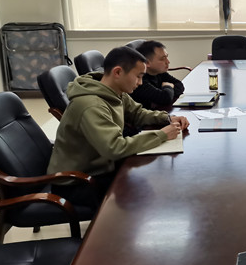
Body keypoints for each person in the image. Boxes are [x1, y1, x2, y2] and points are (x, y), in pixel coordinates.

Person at [47, 46, 189, 205]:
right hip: (78, 182)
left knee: (158, 181)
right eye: (138, 76)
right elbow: (115, 148)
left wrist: (168, 118)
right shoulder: (91, 105)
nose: (140, 83)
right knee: (149, 197)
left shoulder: (114, 90)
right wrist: (162, 135)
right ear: (118, 72)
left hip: (102, 167)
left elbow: (138, 113)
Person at [131, 40, 185, 110]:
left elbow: (179, 85)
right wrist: (168, 86)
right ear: (147, 63)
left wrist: (166, 92)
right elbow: (165, 98)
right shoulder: (139, 80)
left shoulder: (159, 73)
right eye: (162, 59)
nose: (168, 62)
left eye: (167, 57)